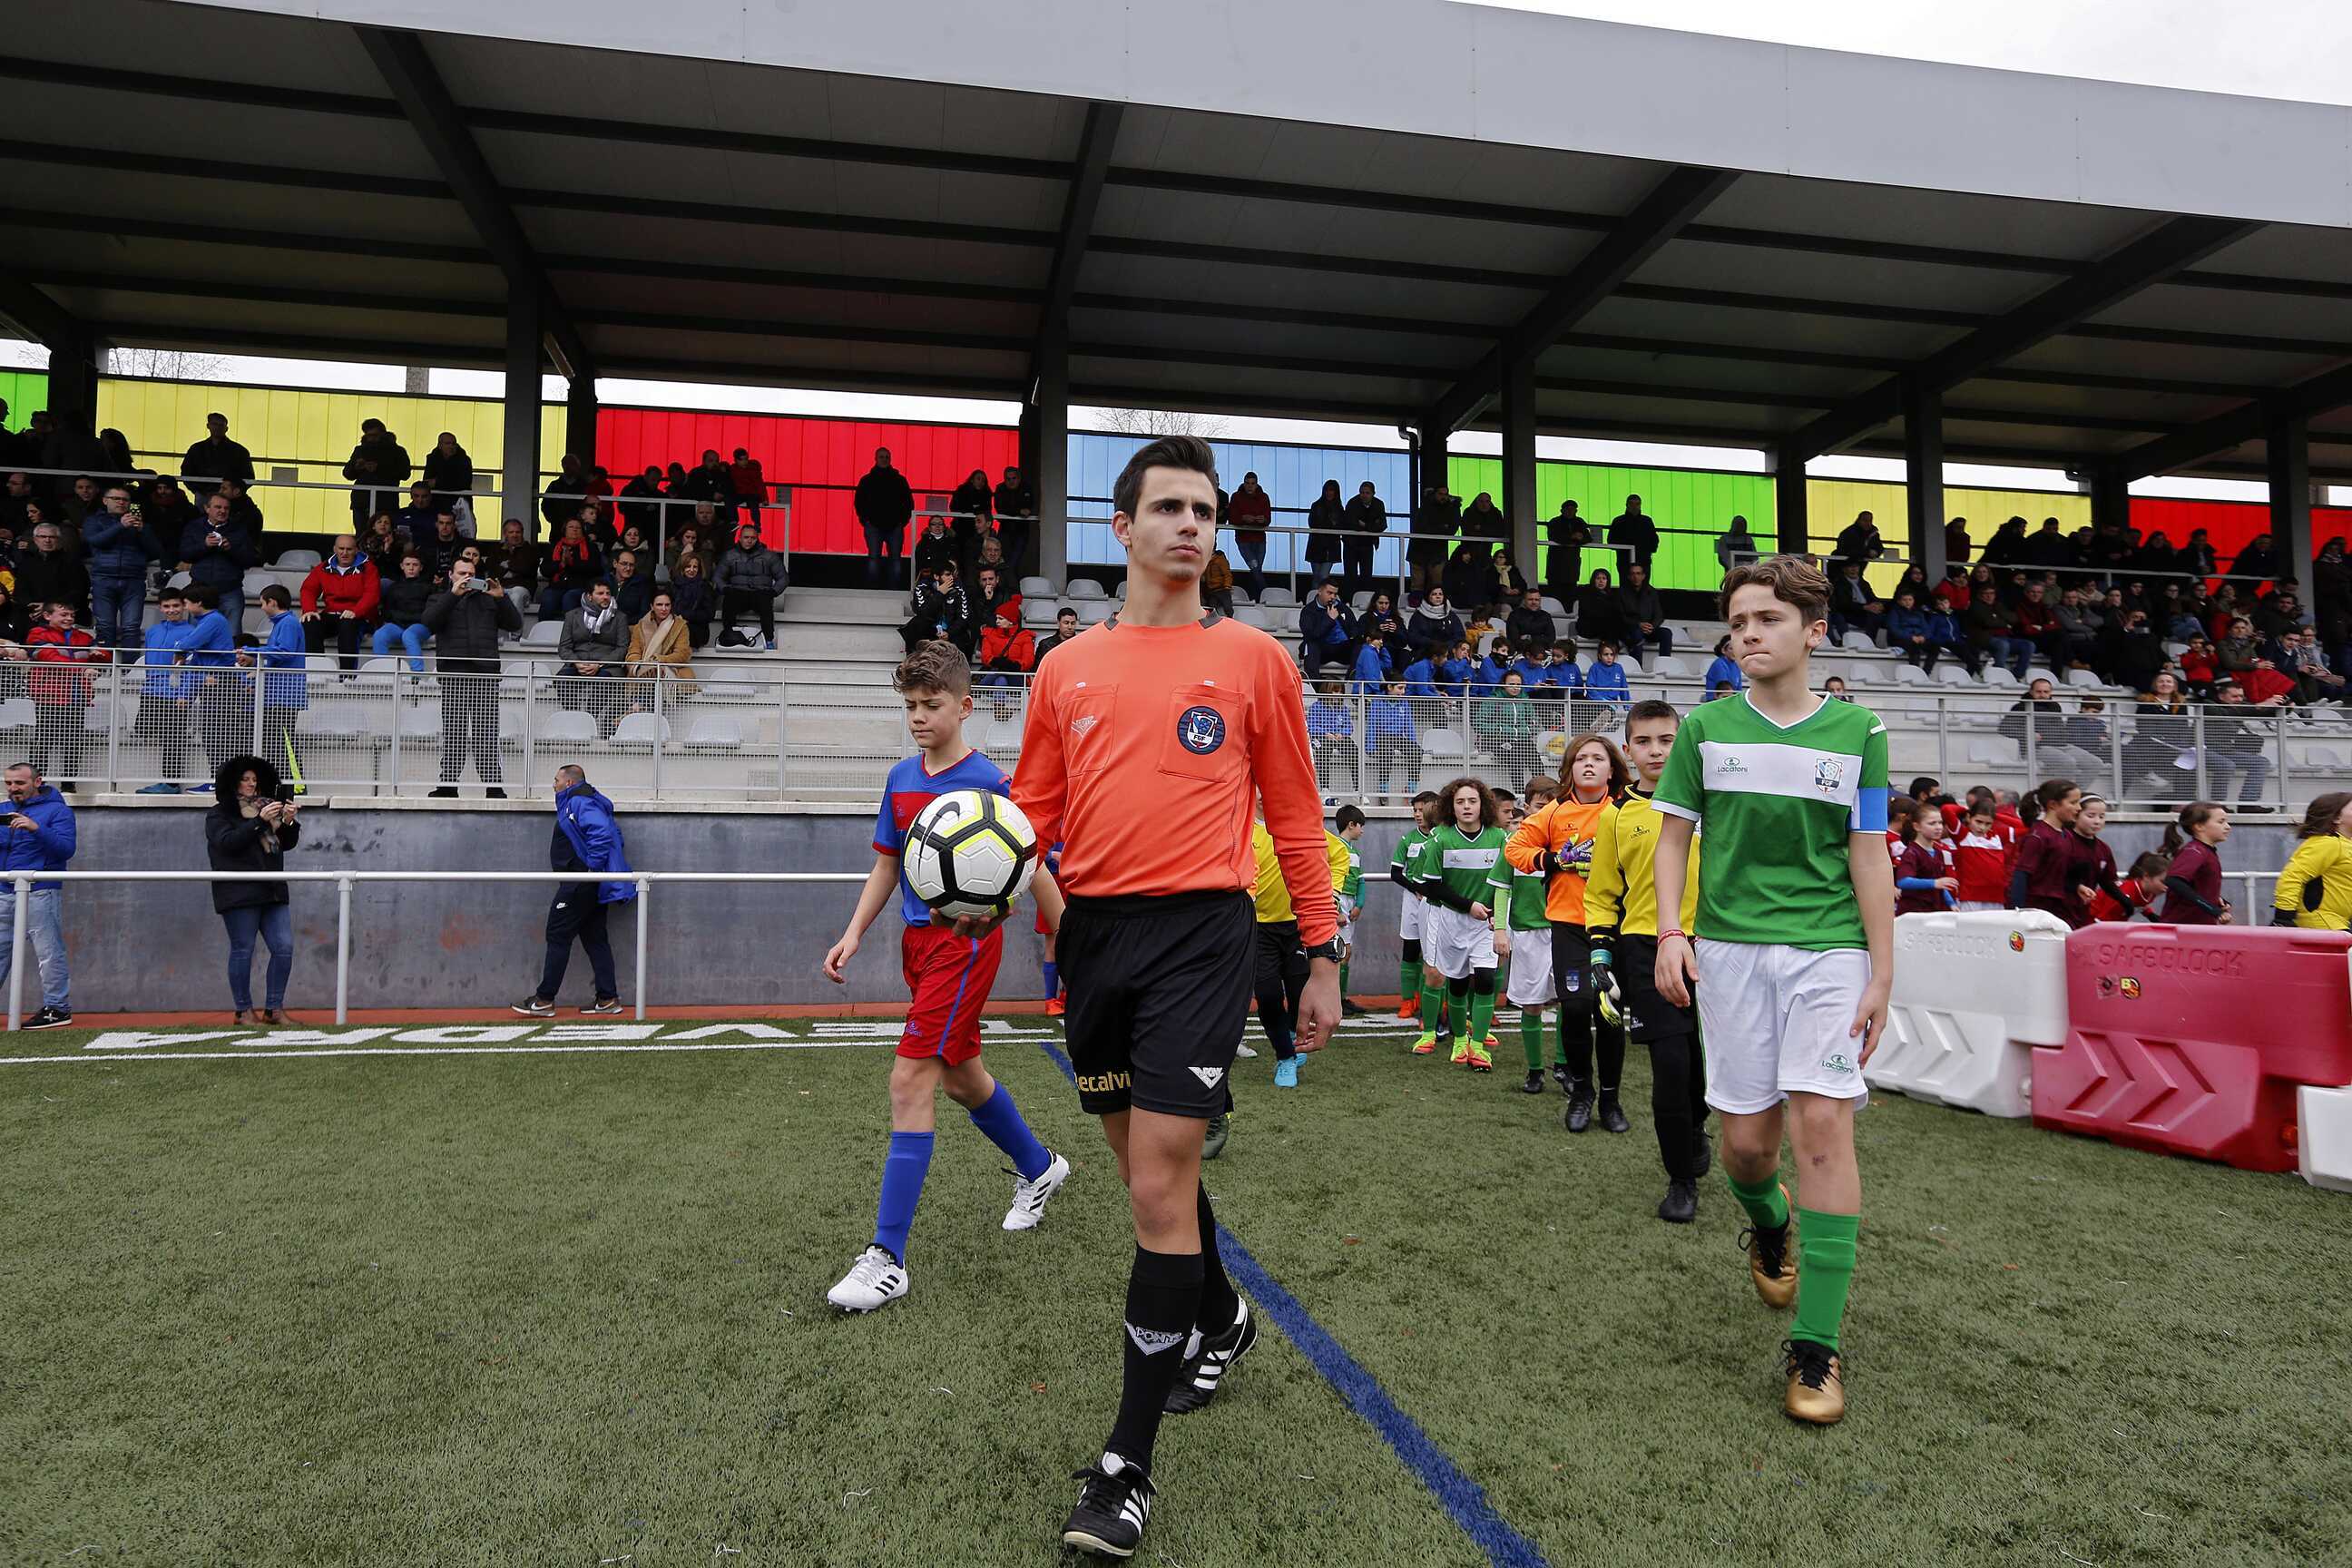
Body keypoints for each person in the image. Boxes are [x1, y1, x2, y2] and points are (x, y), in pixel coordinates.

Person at [1004, 436, 1338, 1558]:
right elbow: (1032, 812)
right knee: (1149, 1177)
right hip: (1095, 939)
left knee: (1158, 1182)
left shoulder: (1253, 658)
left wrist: (1323, 955)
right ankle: (1224, 1317)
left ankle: (1125, 1468)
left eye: (1204, 510)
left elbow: (1296, 814)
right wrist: (988, 883)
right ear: (1124, 527)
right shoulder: (1065, 669)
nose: (1192, 524)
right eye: (1170, 508)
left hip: (1204, 935)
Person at [1650, 555, 1891, 1426]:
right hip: (1730, 953)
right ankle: (1771, 1220)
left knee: (1823, 1127)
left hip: (1830, 951)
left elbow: (1869, 851)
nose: (1748, 635)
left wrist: (1883, 969)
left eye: (1767, 619)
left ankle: (1817, 1349)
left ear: (1814, 631)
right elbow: (1672, 840)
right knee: (1748, 1151)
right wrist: (1670, 932)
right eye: (1738, 623)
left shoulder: (1859, 730)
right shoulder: (1704, 728)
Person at [817, 642, 1071, 1312]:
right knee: (959, 1076)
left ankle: (886, 1257)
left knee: (910, 1079)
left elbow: (1033, 868)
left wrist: (1071, 942)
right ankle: (1040, 1167)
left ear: (966, 706)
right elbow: (887, 863)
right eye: (910, 706)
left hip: (966, 945)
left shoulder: (992, 785)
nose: (918, 717)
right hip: (917, 944)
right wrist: (853, 932)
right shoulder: (901, 778)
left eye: (931, 705)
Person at [1580, 701, 1711, 1218]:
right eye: (1644, 742)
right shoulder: (1616, 815)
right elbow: (1601, 893)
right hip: (1647, 950)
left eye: (1666, 739)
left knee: (1703, 1065)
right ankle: (1680, 1179)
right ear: (1627, 750)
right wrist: (1600, 953)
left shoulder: (1713, 803)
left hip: (1719, 946)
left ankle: (1697, 1123)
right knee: (1671, 1065)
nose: (1656, 751)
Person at [1504, 731, 1629, 1119]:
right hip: (1569, 927)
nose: (1589, 764)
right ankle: (1581, 1093)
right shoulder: (1554, 811)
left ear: (1612, 769)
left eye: (1598, 758)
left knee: (1609, 1014)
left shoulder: (1625, 808)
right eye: (1580, 759)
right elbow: (1514, 849)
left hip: (1614, 927)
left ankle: (1610, 1100)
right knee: (1575, 1009)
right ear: (1570, 769)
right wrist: (1555, 860)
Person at [511, 766, 634, 1016]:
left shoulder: (579, 802)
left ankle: (544, 1000)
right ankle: (607, 999)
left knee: (557, 935)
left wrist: (590, 869)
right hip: (585, 883)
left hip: (579, 883)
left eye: (556, 780)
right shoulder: (581, 801)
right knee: (595, 939)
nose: (553, 784)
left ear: (568, 783)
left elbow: (603, 833)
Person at [1247, 804, 1356, 1088]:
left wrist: (1332, 894)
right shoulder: (1242, 829)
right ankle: (1285, 1056)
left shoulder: (1297, 828)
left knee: (1299, 993)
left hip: (1297, 927)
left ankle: (1293, 1045)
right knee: (1267, 995)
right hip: (1258, 929)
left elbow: (1340, 855)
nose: (1263, 793)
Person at [1405, 776, 1509, 1071]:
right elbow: (1431, 886)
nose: (1466, 806)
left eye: (1472, 801)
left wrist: (1495, 916)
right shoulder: (1442, 839)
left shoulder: (1499, 838)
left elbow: (1505, 882)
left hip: (1485, 923)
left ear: (1482, 805)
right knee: (1457, 982)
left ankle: (1478, 1046)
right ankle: (1459, 1038)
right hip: (1450, 919)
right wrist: (1468, 906)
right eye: (1460, 801)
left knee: (1486, 979)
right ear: (1451, 806)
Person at [206, 752, 302, 1026]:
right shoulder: (218, 814)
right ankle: (243, 1011)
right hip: (239, 893)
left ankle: (274, 1009)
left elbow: (286, 844)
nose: (251, 784)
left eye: (255, 780)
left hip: (272, 891)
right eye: (245, 779)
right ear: (233, 783)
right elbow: (228, 843)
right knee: (243, 950)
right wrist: (259, 820)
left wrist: (288, 821)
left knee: (284, 948)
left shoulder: (267, 808)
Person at [421, 557, 520, 799]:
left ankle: (493, 786)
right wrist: (452, 596)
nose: (467, 577)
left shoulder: (489, 599)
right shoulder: (439, 598)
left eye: (471, 573)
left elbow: (515, 624)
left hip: (484, 674)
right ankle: (448, 785)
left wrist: (502, 598)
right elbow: (428, 623)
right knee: (453, 731)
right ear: (451, 575)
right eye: (462, 573)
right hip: (454, 673)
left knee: (486, 733)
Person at [0, 761, 76, 1028]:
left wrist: (36, 828)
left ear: (37, 782)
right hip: (4, 891)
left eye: (19, 783)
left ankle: (57, 1008)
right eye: (8, 783)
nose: (13, 788)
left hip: (40, 890)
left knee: (49, 952)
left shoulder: (59, 811)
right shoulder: (3, 809)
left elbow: (66, 849)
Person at [26, 602, 104, 785]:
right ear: (47, 616)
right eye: (64, 615)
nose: (69, 618)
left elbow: (104, 656)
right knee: (43, 742)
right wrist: (83, 669)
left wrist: (99, 655)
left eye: (72, 615)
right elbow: (51, 658)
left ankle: (69, 785)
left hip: (78, 697)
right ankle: (38, 785)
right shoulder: (37, 634)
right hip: (49, 698)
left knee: (74, 743)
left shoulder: (84, 637)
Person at [83, 484, 162, 654]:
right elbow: (95, 541)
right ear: (105, 501)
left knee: (131, 627)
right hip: (104, 578)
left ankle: (129, 667)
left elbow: (156, 552)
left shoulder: (140, 524)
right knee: (105, 626)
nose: (121, 502)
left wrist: (142, 531)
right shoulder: (94, 521)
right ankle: (104, 665)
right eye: (116, 498)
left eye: (125, 500)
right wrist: (120, 526)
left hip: (133, 579)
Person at [296, 534, 381, 672]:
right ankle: (316, 672)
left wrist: (356, 611)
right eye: (341, 549)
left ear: (356, 550)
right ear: (335, 549)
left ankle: (347, 676)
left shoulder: (369, 568)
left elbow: (372, 595)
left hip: (359, 616)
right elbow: (308, 589)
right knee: (310, 621)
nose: (344, 553)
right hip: (331, 614)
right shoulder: (323, 568)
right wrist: (309, 609)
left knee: (347, 624)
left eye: (349, 549)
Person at [556, 581, 628, 736]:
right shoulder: (572, 616)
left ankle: (589, 717)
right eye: (600, 594)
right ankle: (574, 715)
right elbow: (564, 647)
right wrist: (577, 663)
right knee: (562, 678)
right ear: (589, 596)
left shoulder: (619, 617)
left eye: (608, 593)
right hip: (578, 663)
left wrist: (599, 664)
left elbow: (622, 649)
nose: (605, 597)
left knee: (604, 680)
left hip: (606, 666)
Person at [2271, 792, 2352, 929]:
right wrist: (2283, 917)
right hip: (2321, 920)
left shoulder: (2344, 844)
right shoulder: (2327, 843)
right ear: (2337, 818)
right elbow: (2292, 876)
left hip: (2338, 921)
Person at [2204, 678, 2278, 807]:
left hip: (2226, 751)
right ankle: (2218, 806)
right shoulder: (2208, 705)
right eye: (2234, 696)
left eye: (2241, 696)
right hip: (2203, 750)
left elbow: (2265, 712)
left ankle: (2247, 804)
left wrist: (2284, 706)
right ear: (2221, 696)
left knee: (2261, 762)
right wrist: (2258, 706)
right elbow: (2224, 714)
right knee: (2227, 765)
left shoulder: (2240, 707)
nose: (2239, 699)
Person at [714, 518, 787, 650]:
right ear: (740, 538)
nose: (749, 540)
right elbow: (718, 577)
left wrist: (773, 592)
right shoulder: (730, 555)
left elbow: (783, 578)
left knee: (765, 603)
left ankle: (768, 640)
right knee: (729, 601)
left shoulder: (769, 556)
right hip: (738, 593)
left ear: (757, 539)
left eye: (753, 538)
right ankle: (729, 636)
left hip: (760, 594)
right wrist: (725, 589)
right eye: (746, 537)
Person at [2158, 802, 2231, 924]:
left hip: (2198, 928)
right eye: (2221, 822)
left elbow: (2195, 888)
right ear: (2199, 826)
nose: (2228, 827)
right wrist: (2213, 910)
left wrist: (2216, 900)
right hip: (2182, 928)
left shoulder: (2205, 851)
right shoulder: (2195, 851)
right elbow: (2174, 881)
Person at [855, 447, 916, 589]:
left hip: (894, 526)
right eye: (882, 457)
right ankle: (873, 591)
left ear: (890, 459)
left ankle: (893, 591)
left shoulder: (899, 480)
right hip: (874, 526)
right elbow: (859, 502)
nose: (884, 459)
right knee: (875, 558)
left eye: (887, 457)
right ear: (876, 459)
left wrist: (902, 521)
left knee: (894, 559)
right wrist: (866, 520)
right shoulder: (867, 480)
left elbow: (908, 502)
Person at [369, 554, 435, 675]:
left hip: (421, 626)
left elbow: (430, 612)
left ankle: (417, 676)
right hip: (398, 625)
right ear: (401, 566)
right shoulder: (393, 587)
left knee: (409, 635)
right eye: (407, 564)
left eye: (415, 565)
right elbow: (387, 610)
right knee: (379, 635)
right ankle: (382, 674)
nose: (411, 568)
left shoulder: (430, 587)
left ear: (421, 567)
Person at [342, 418, 411, 525]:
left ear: (383, 434)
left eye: (375, 435)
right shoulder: (360, 450)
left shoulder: (397, 451)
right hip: (363, 501)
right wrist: (356, 467)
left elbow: (405, 473)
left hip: (384, 501)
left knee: (384, 531)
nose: (371, 439)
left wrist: (379, 469)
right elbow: (347, 473)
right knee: (363, 532)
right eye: (368, 435)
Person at [1892, 807, 1959, 916]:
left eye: (1940, 823)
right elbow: (1903, 881)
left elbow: (1941, 885)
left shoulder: (1938, 852)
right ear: (1917, 826)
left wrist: (1951, 903)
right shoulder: (1911, 853)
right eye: (1932, 823)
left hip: (1933, 910)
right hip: (1913, 912)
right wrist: (1934, 883)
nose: (1938, 827)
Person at [1365, 679, 1421, 806]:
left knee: (1417, 751)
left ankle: (1411, 788)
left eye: (1404, 688)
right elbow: (1372, 725)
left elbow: (1409, 725)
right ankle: (1383, 789)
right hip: (1382, 736)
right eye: (1400, 688)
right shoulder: (1378, 701)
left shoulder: (1404, 703)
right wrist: (1370, 747)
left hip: (1398, 737)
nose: (1403, 692)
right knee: (1387, 753)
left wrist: (1412, 743)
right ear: (1390, 687)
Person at [902, 561, 974, 658]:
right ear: (936, 576)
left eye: (952, 575)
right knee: (916, 624)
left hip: (950, 631)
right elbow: (922, 614)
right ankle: (914, 662)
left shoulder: (958, 589)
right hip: (929, 630)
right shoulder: (922, 587)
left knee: (963, 635)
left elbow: (963, 617)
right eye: (947, 575)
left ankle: (959, 665)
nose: (951, 578)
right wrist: (939, 594)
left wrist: (949, 633)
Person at [1950, 801, 2011, 912]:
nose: (1982, 827)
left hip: (1996, 896)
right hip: (1970, 896)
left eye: (1988, 824)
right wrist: (1966, 810)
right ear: (1969, 817)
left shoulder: (1997, 837)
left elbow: (2023, 826)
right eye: (1978, 821)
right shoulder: (1963, 835)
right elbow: (1947, 810)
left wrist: (1995, 815)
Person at [181, 412, 254, 500]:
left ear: (226, 429)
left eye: (221, 425)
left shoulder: (240, 451)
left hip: (230, 497)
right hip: (204, 495)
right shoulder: (196, 449)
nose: (218, 428)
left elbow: (249, 477)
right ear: (208, 426)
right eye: (215, 424)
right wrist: (198, 490)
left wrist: (234, 492)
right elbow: (186, 472)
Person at [1297, 579, 1357, 677]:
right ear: (1320, 591)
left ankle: (1351, 679)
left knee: (1360, 645)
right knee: (1310, 644)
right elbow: (1310, 635)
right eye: (1329, 593)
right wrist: (1329, 619)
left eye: (1335, 594)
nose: (1333, 597)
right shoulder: (1309, 611)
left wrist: (1353, 636)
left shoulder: (1343, 608)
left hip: (1342, 649)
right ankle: (1313, 683)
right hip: (1322, 650)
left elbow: (1354, 628)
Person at [1615, 562, 1672, 662]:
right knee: (1636, 634)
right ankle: (1638, 666)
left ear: (1643, 576)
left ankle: (1665, 664)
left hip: (1648, 629)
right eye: (1633, 574)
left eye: (1638, 573)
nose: (1636, 577)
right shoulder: (1622, 593)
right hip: (1630, 629)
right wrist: (1638, 624)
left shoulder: (1651, 592)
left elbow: (1659, 615)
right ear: (1629, 577)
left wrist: (1652, 626)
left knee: (1666, 633)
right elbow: (1620, 616)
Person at [992, 465, 1038, 578]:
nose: (1011, 481)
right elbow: (1000, 508)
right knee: (1004, 559)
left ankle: (1012, 584)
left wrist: (1013, 510)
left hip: (1021, 531)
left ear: (1019, 478)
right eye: (1008, 479)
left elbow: (1030, 506)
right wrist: (1019, 511)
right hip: (1005, 531)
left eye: (1014, 478)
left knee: (1015, 561)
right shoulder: (1000, 489)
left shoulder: (1027, 488)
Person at [1341, 481, 1386, 597]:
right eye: (1362, 492)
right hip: (1351, 544)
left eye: (1367, 493)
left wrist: (1365, 525)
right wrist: (1372, 525)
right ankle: (1350, 601)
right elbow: (1351, 523)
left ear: (1373, 493)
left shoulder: (1379, 504)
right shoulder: (1352, 503)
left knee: (1366, 575)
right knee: (1350, 576)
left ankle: (1364, 601)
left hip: (1367, 544)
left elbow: (1382, 525)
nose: (1364, 495)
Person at [1304, 478, 1346, 589]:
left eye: (1331, 490)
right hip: (1316, 545)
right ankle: (1315, 597)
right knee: (1317, 576)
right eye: (1327, 490)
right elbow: (1312, 523)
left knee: (1323, 576)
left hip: (1330, 547)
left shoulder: (1339, 509)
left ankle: (1321, 596)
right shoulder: (1316, 506)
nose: (1329, 493)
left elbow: (1341, 525)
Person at [1609, 494, 1659, 576]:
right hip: (1625, 562)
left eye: (1637, 504)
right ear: (1627, 505)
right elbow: (1611, 541)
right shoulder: (1619, 522)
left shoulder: (1647, 521)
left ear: (1640, 505)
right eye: (1631, 504)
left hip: (1642, 561)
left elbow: (1654, 540)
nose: (1634, 507)